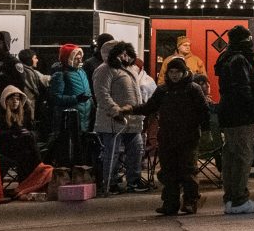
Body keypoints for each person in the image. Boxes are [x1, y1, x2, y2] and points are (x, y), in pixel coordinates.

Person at [117, 59, 209, 215]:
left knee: (188, 171)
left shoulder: (193, 89)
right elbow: (149, 107)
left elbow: (203, 111)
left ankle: (190, 201)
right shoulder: (163, 90)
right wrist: (131, 109)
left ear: (184, 72)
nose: (174, 76)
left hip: (188, 137)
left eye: (177, 72)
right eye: (171, 72)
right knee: (168, 171)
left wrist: (203, 131)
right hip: (167, 136)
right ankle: (170, 203)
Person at [214, 24, 254, 215]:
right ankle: (239, 199)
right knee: (243, 156)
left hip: (229, 114)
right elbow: (244, 89)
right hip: (240, 115)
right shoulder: (240, 59)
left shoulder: (226, 57)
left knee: (231, 156)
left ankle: (230, 198)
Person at [93, 41, 149, 196]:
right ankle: (110, 183)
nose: (125, 56)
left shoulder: (128, 68)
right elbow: (101, 94)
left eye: (126, 53)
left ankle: (134, 180)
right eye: (121, 53)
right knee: (112, 153)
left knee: (136, 149)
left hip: (131, 119)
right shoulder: (104, 70)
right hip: (113, 120)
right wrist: (114, 110)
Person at [0, 85, 41, 180]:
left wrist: (28, 133)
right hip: (4, 149)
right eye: (12, 99)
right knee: (26, 147)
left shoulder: (23, 116)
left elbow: (36, 132)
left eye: (18, 99)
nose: (15, 101)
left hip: (21, 148)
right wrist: (12, 133)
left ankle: (27, 181)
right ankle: (40, 167)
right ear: (5, 100)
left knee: (28, 143)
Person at [48, 43, 93, 137]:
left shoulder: (81, 72)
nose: (80, 60)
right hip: (69, 120)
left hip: (85, 118)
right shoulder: (60, 74)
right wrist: (76, 98)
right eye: (77, 58)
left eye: (81, 57)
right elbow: (56, 98)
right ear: (68, 58)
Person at [16, 48, 49, 138]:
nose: (37, 60)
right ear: (29, 59)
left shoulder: (21, 69)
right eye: (35, 58)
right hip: (27, 108)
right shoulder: (30, 72)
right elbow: (46, 80)